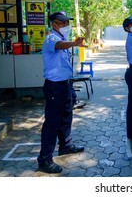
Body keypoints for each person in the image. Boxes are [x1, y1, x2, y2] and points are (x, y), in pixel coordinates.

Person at [37, 11, 86, 174]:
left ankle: (65, 145)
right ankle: (45, 159)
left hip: (65, 84)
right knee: (52, 122)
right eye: (63, 23)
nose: (66, 25)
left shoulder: (63, 39)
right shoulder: (52, 38)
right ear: (55, 24)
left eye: (67, 23)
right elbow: (58, 46)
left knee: (66, 115)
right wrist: (74, 43)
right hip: (54, 87)